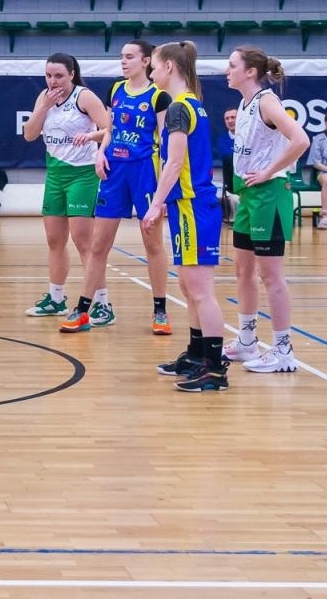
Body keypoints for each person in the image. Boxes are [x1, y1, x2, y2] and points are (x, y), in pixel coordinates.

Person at [65, 40, 171, 336]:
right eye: (121, 57)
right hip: (114, 173)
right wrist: (100, 152)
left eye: (129, 57)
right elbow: (111, 129)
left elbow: (165, 144)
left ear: (146, 60)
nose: (123, 61)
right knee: (99, 245)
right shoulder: (116, 89)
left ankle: (160, 310)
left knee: (152, 245)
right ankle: (83, 309)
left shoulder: (159, 97)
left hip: (145, 174)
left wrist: (162, 191)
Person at [142, 41, 228, 393]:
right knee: (187, 286)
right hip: (186, 206)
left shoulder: (179, 108)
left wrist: (154, 202)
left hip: (194, 204)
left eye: (154, 66)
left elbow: (175, 163)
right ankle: (196, 354)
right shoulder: (191, 105)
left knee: (201, 290)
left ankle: (215, 367)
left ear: (169, 68)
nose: (150, 72)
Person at [222, 46, 309, 375]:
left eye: (232, 65)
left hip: (270, 194)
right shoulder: (244, 105)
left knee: (271, 276)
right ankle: (246, 341)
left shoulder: (267, 101)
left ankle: (284, 351)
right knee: (242, 270)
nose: (227, 70)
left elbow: (300, 140)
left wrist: (271, 170)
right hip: (249, 195)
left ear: (249, 72)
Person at [21, 53, 111, 320]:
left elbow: (110, 129)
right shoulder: (44, 97)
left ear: (72, 74)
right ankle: (56, 298)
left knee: (84, 241)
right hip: (55, 175)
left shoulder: (84, 97)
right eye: (48, 75)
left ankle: (103, 303)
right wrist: (42, 108)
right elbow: (29, 135)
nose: (53, 80)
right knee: (54, 240)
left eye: (58, 75)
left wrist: (90, 135)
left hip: (83, 174)